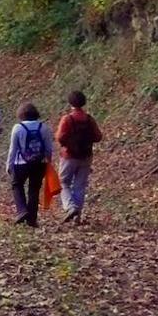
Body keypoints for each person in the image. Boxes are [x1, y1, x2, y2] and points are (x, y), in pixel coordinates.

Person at [55, 89, 103, 224]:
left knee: (63, 182)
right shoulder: (89, 119)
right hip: (86, 156)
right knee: (79, 185)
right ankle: (77, 216)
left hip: (69, 156)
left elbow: (59, 137)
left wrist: (68, 143)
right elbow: (98, 137)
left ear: (70, 103)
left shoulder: (67, 119)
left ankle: (70, 207)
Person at [6, 102, 56, 227]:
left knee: (17, 185)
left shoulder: (17, 128)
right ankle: (32, 219)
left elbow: (13, 149)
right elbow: (49, 148)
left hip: (20, 163)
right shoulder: (44, 127)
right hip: (39, 163)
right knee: (34, 189)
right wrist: (48, 162)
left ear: (21, 114)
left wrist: (9, 164)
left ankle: (22, 210)